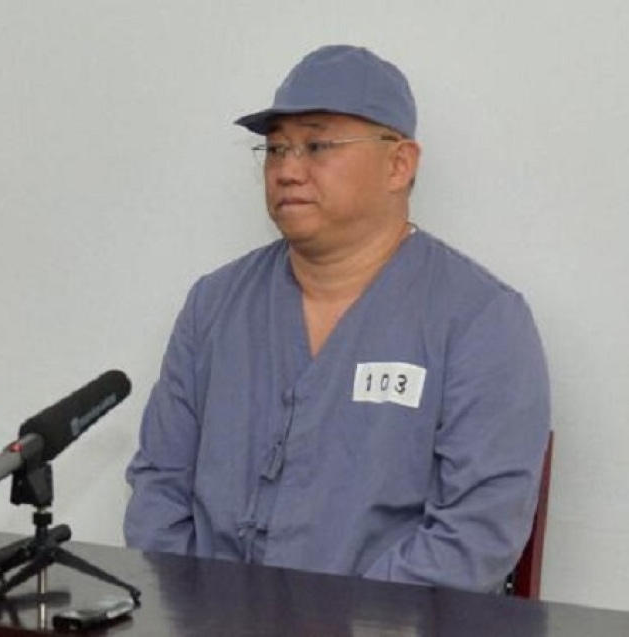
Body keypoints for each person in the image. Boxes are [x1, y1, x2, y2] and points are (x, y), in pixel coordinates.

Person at [123, 44, 550, 593]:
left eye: (317, 145)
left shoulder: (480, 321)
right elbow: (159, 485)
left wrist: (351, 622)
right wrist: (192, 608)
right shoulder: (215, 306)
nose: (287, 170)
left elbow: (477, 534)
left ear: (399, 164)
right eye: (275, 149)